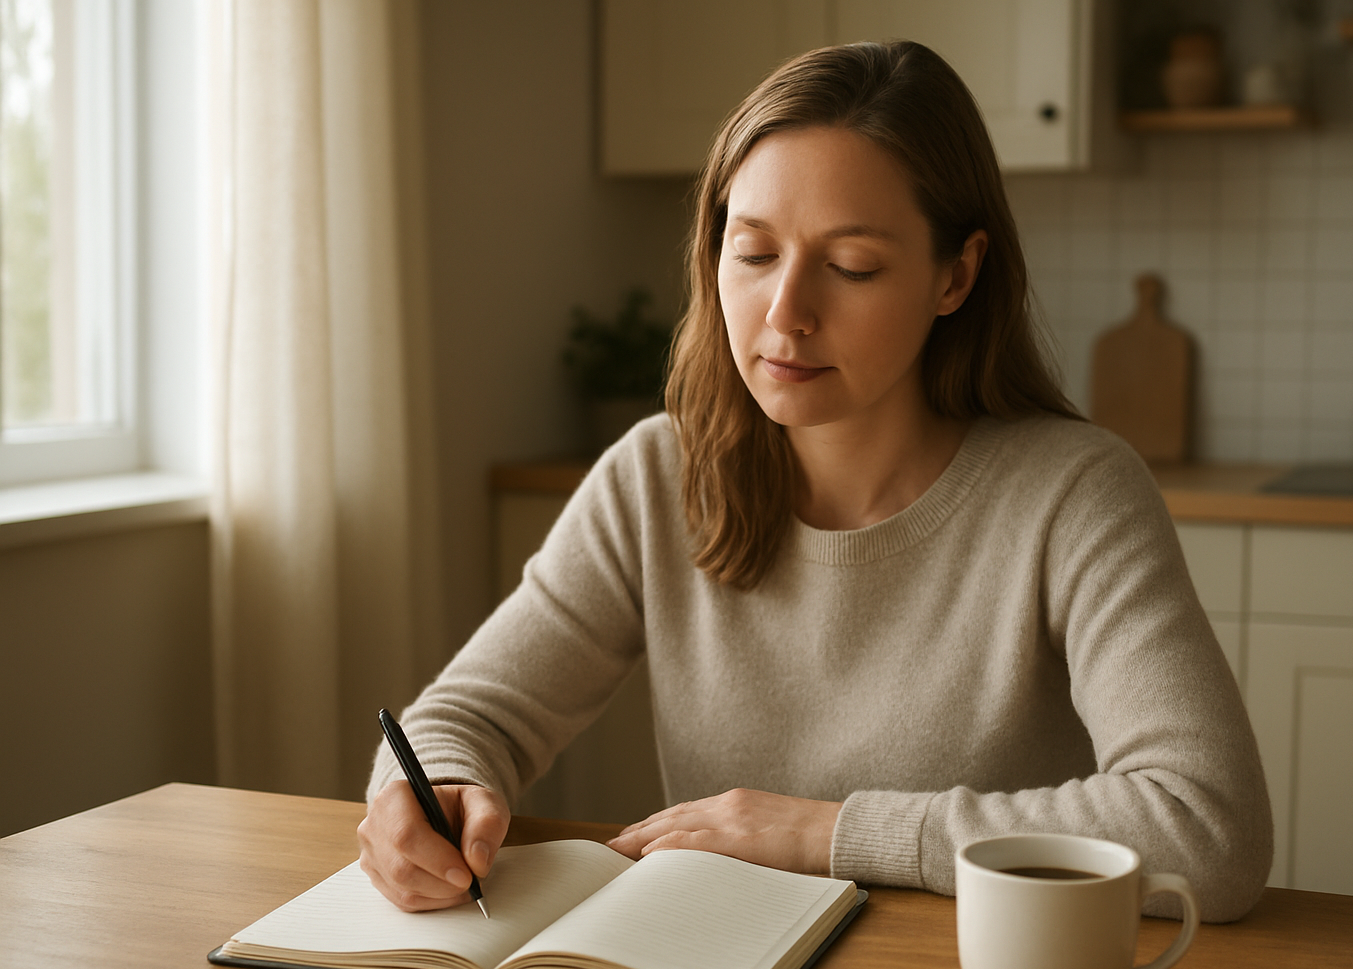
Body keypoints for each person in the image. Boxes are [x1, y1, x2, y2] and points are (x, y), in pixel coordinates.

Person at [358, 40, 1272, 922]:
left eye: (850, 267)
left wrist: (828, 833)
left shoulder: (1073, 494)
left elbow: (1207, 827)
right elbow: (470, 715)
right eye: (752, 253)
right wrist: (428, 789)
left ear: (956, 275)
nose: (785, 314)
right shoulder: (655, 474)